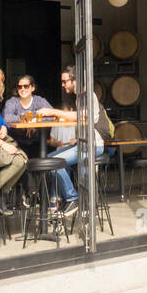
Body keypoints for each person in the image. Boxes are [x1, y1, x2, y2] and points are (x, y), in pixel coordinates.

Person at [36, 66, 108, 222]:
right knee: (49, 159)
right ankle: (60, 198)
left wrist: (54, 112)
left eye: (64, 81)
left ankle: (72, 198)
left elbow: (84, 117)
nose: (62, 85)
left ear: (74, 80)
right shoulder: (79, 97)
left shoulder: (88, 94)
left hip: (92, 145)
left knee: (52, 163)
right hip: (82, 144)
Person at [0, 68, 28, 212]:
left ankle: (0, 195)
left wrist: (4, 128)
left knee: (23, 159)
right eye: (2, 80)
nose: (3, 85)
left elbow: (1, 122)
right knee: (19, 160)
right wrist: (3, 144)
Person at [2, 75, 53, 156]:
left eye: (26, 86)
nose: (22, 89)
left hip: (38, 142)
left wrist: (34, 123)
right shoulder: (12, 102)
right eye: (19, 87)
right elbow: (6, 118)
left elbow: (53, 116)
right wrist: (28, 120)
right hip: (16, 142)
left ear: (32, 88)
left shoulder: (39, 101)